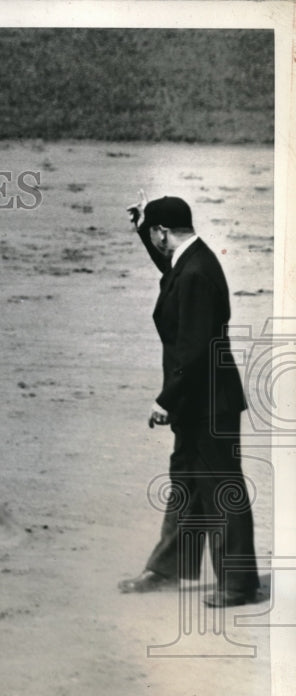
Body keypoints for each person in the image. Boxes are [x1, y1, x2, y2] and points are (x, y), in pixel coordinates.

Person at [119, 193, 259, 607]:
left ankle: (238, 585)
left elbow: (194, 349)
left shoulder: (196, 273)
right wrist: (142, 229)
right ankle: (167, 570)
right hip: (199, 399)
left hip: (207, 402)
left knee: (220, 488)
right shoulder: (193, 260)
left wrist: (166, 400)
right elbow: (170, 269)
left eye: (155, 233)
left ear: (165, 232)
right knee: (186, 484)